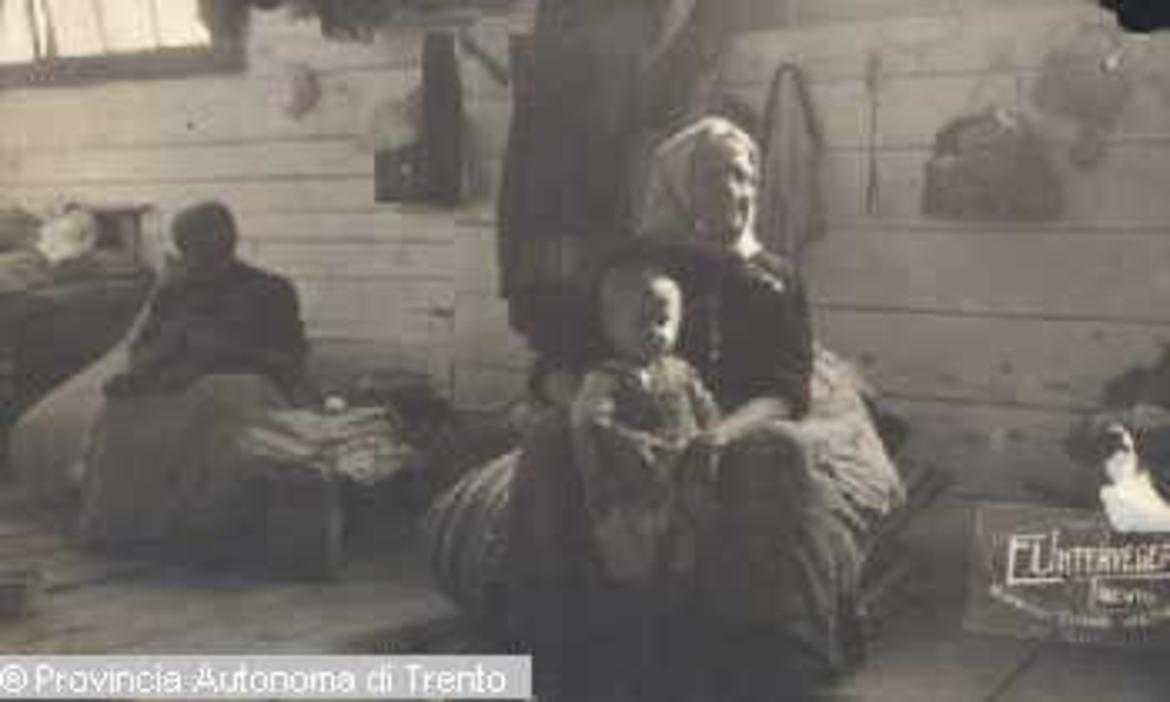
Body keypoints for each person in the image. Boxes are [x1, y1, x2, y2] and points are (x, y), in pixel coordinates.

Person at [493, 116, 907, 699]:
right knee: (548, 439)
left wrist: (718, 436)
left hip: (731, 416)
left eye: (745, 177)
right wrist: (591, 409)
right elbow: (554, 365)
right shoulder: (630, 265)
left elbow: (785, 389)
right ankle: (551, 640)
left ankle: (769, 658)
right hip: (631, 403)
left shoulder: (776, 278)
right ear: (679, 185)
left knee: (778, 454)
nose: (735, 191)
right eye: (714, 176)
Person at [78, 201, 311, 554]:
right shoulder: (175, 291)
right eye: (191, 243)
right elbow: (145, 347)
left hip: (251, 384)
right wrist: (147, 372)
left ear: (230, 238)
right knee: (122, 408)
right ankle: (125, 528)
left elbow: (290, 357)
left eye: (212, 236)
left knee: (223, 397)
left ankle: (210, 531)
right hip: (180, 383)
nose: (203, 249)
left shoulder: (269, 289)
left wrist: (220, 357)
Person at [571, 262, 720, 594]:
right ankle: (635, 595)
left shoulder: (683, 372)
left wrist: (710, 437)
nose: (655, 332)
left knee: (690, 542)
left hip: (684, 477)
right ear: (611, 326)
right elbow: (589, 421)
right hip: (633, 487)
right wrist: (627, 444)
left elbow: (707, 411)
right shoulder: (606, 377)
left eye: (663, 322)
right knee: (634, 553)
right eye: (641, 323)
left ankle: (682, 588)